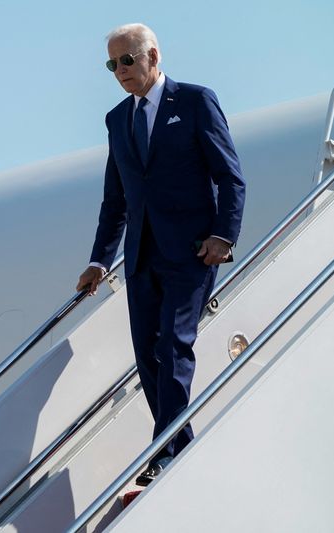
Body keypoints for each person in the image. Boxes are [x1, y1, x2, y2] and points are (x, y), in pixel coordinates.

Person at [76, 23, 245, 486]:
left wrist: (223, 236)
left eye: (127, 61)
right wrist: (97, 260)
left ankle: (165, 450)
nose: (120, 72)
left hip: (191, 252)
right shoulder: (117, 119)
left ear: (153, 54)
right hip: (140, 255)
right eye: (112, 65)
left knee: (173, 344)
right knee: (148, 354)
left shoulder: (194, 101)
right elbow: (117, 199)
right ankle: (177, 445)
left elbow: (230, 176)